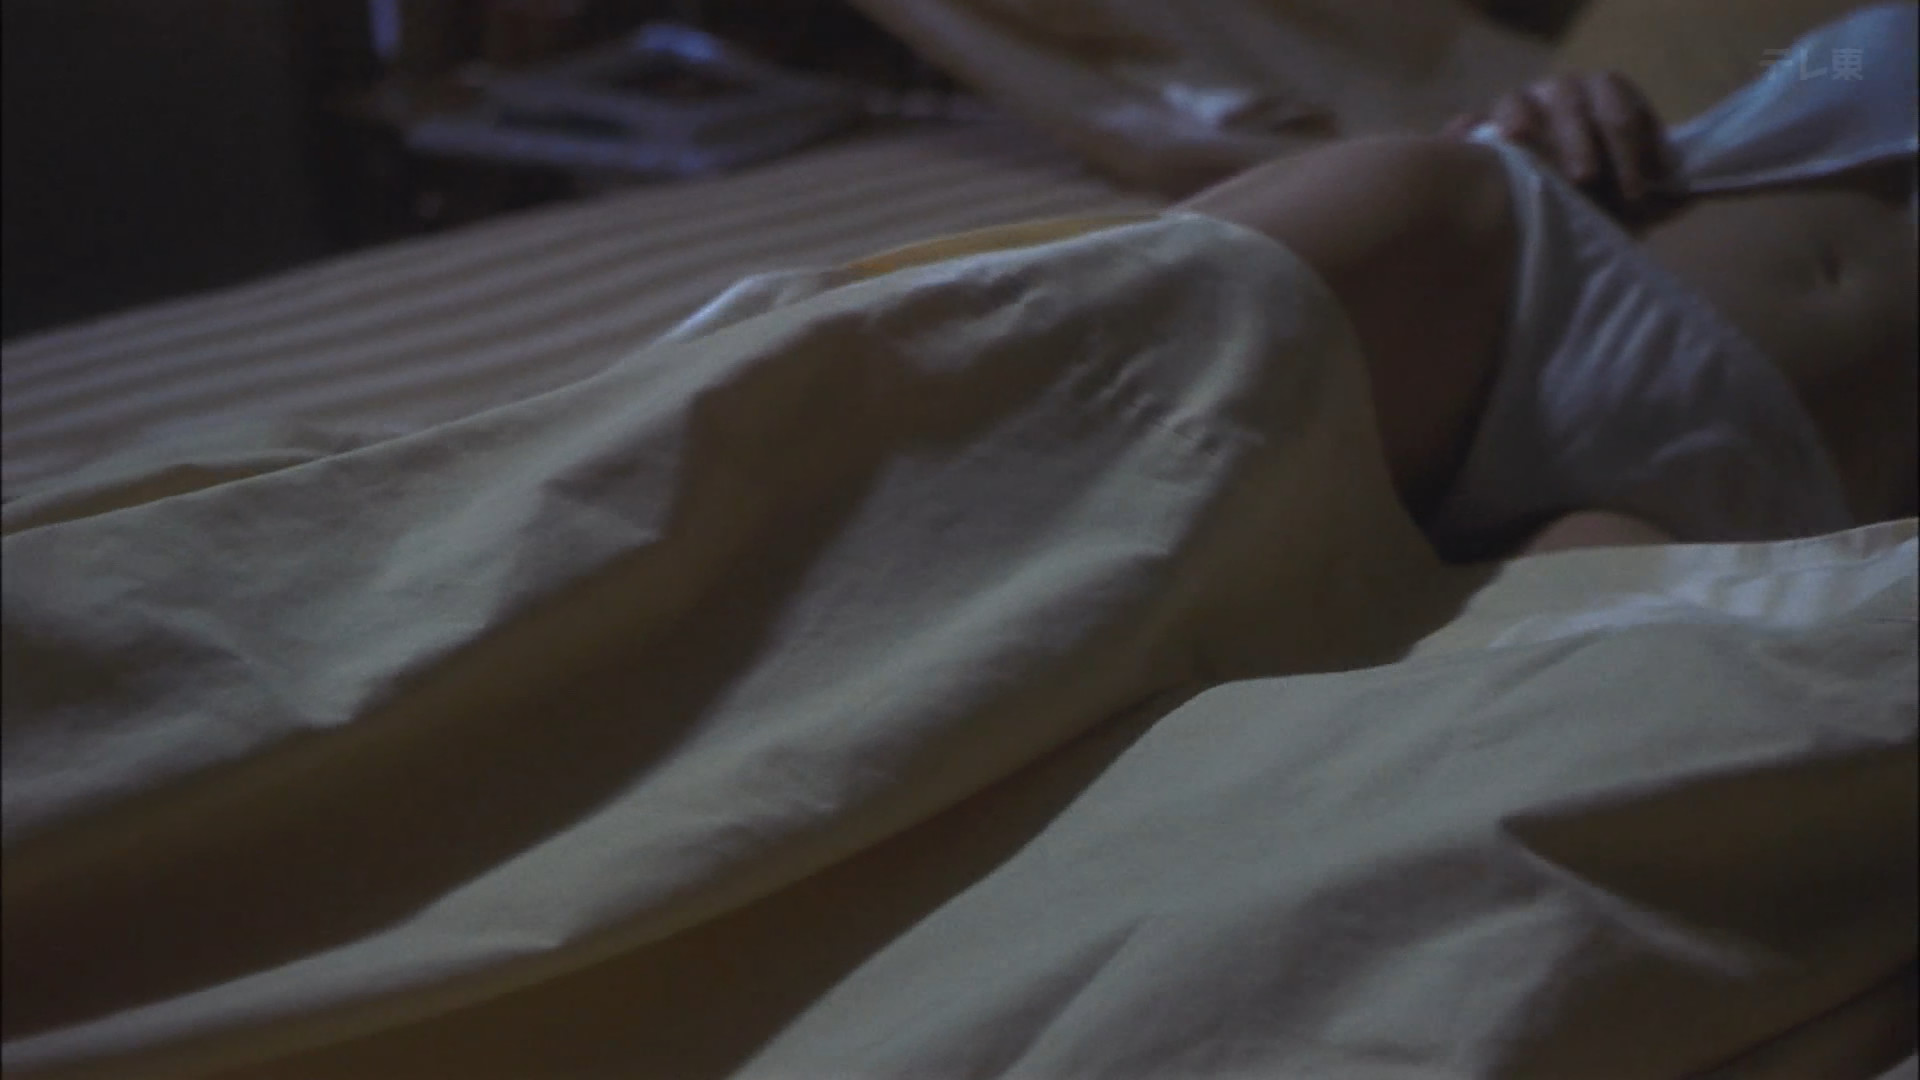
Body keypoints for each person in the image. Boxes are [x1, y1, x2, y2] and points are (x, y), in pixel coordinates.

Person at [1177, 4, 1918, 560]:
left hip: (1785, 501)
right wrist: (1562, 108)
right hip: (1548, 268)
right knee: (1146, 361)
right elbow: (1756, 116)